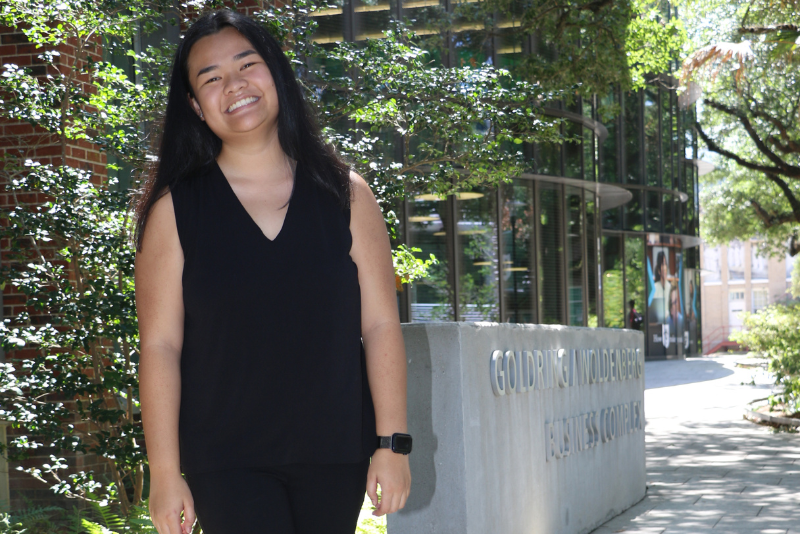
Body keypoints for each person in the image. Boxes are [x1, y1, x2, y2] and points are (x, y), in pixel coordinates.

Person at [134, 10, 411, 534]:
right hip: (225, 459)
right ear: (195, 105)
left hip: (335, 451)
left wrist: (391, 443)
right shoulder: (174, 212)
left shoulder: (346, 193)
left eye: (247, 64)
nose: (233, 85)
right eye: (210, 78)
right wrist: (165, 473)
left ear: (277, 75)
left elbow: (378, 326)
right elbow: (160, 347)